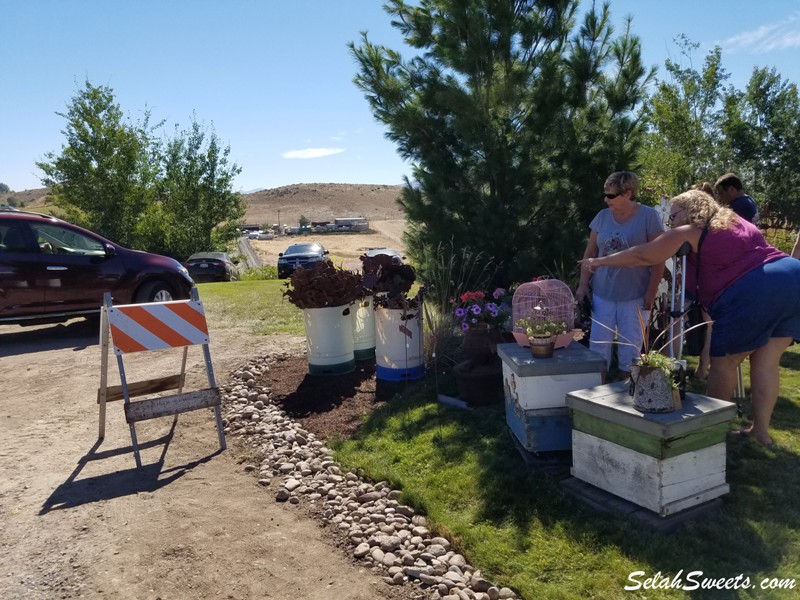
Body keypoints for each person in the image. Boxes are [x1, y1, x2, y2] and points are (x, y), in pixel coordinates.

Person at [580, 189, 800, 445]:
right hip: (792, 279)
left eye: (673, 215)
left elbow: (645, 255)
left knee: (723, 365)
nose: (670, 222)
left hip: (753, 290)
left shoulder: (690, 230)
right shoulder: (736, 221)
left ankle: (706, 436)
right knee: (766, 363)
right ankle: (760, 432)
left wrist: (601, 262)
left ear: (688, 211)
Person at [576, 171, 665, 377]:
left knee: (631, 349)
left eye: (611, 195)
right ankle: (597, 394)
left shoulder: (648, 216)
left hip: (635, 294)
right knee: (598, 347)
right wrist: (582, 285)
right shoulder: (602, 217)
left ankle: (629, 394)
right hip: (603, 293)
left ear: (628, 194)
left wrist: (651, 293)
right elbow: (590, 254)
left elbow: (659, 257)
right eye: (605, 195)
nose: (606, 200)